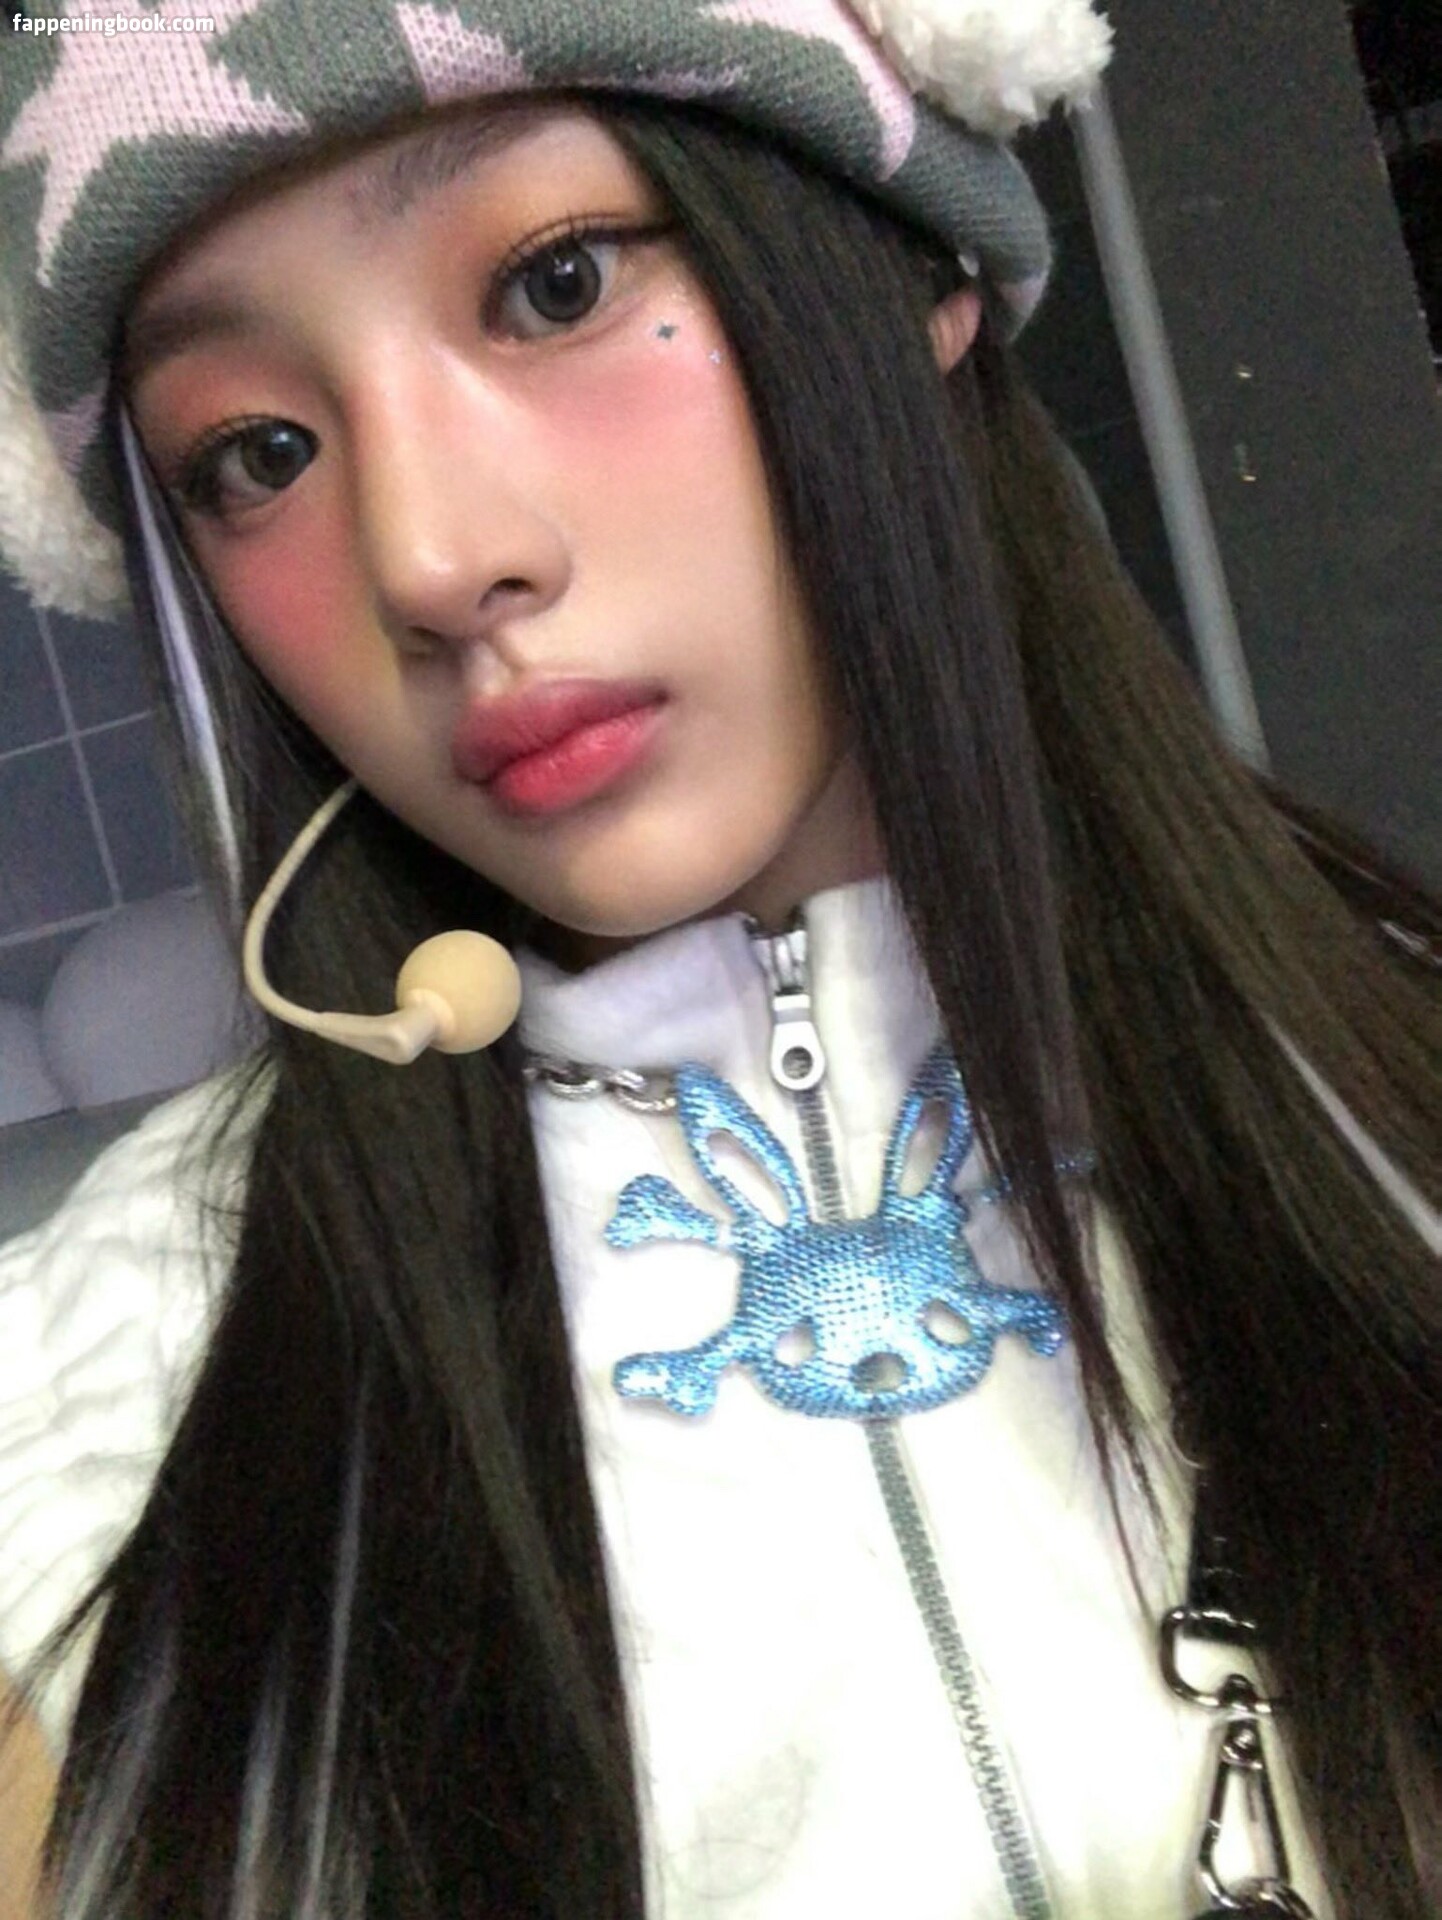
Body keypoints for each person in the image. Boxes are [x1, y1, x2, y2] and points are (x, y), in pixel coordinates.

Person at [0, 4, 1439, 1916]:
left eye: (557, 282)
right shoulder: (79, 1412)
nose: (428, 560)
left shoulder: (1397, 1083)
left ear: (902, 267)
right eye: (254, 453)